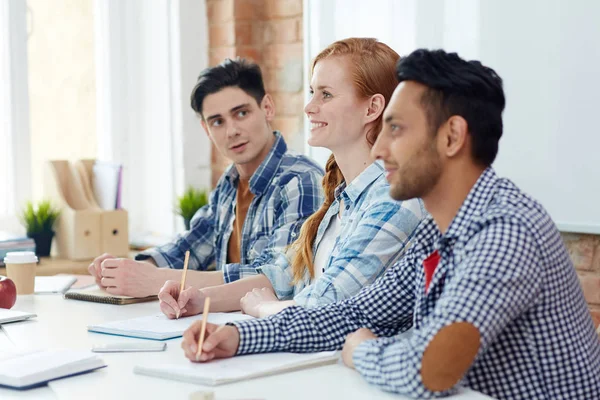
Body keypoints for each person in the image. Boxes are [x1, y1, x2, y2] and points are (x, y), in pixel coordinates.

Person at [180, 49, 600, 399]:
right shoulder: (439, 228)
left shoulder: (506, 232)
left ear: (452, 137)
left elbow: (427, 368)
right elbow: (357, 312)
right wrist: (237, 337)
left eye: (395, 129)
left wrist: (361, 348)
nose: (378, 147)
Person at [158, 38, 424, 318]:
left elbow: (327, 303)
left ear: (371, 109)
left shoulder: (394, 198)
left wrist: (264, 308)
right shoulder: (341, 200)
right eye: (312, 92)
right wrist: (200, 300)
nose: (309, 107)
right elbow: (281, 276)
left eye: (326, 95)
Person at [88, 58, 324, 298]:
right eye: (218, 122)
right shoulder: (229, 183)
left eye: (241, 113)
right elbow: (192, 246)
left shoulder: (299, 180)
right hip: (226, 322)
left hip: (274, 329)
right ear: (206, 129)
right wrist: (130, 270)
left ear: (267, 108)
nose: (232, 131)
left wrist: (161, 279)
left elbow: (281, 279)